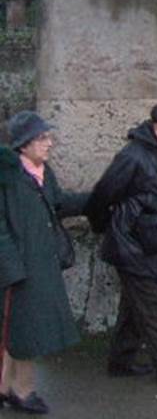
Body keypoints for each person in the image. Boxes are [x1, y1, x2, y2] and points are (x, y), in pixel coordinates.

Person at [85, 103, 157, 387]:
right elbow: (102, 195)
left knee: (134, 307)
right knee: (150, 307)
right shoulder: (132, 157)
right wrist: (107, 228)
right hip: (132, 245)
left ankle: (120, 362)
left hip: (152, 243)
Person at [0, 111, 88, 415]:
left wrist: (98, 199)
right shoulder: (8, 178)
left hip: (40, 262)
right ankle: (23, 391)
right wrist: (11, 269)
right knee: (24, 331)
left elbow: (58, 202)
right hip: (19, 267)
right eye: (42, 138)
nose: (49, 143)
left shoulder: (42, 172)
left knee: (20, 329)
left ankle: (6, 386)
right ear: (23, 145)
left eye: (49, 137)